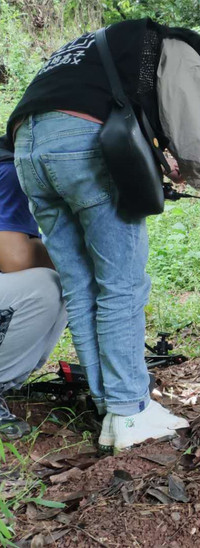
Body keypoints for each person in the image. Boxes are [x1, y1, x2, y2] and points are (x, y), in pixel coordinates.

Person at [8, 18, 200, 451]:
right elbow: (189, 140)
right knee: (121, 286)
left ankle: (110, 406)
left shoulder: (103, 47)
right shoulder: (182, 51)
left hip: (27, 148)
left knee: (81, 286)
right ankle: (129, 411)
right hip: (83, 143)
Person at [0, 135, 67, 440]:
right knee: (47, 283)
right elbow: (13, 258)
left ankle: (9, 380)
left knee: (64, 279)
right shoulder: (12, 171)